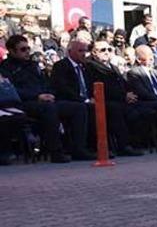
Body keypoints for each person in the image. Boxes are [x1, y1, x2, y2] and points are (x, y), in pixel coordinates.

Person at [0, 35, 92, 163]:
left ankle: (79, 148)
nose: (27, 52)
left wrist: (50, 94)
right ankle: (56, 151)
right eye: (22, 49)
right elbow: (11, 90)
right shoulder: (6, 68)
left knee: (78, 107)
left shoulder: (33, 65)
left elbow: (47, 83)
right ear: (11, 51)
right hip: (25, 103)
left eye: (28, 49)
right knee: (49, 109)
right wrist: (37, 96)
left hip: (45, 99)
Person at [83, 39, 145, 156]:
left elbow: (123, 83)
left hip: (121, 99)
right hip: (106, 99)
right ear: (94, 52)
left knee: (138, 109)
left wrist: (130, 93)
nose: (107, 52)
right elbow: (101, 86)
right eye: (103, 50)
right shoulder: (91, 66)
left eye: (109, 49)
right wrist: (124, 95)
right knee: (116, 110)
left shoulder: (113, 67)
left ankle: (136, 143)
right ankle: (123, 146)